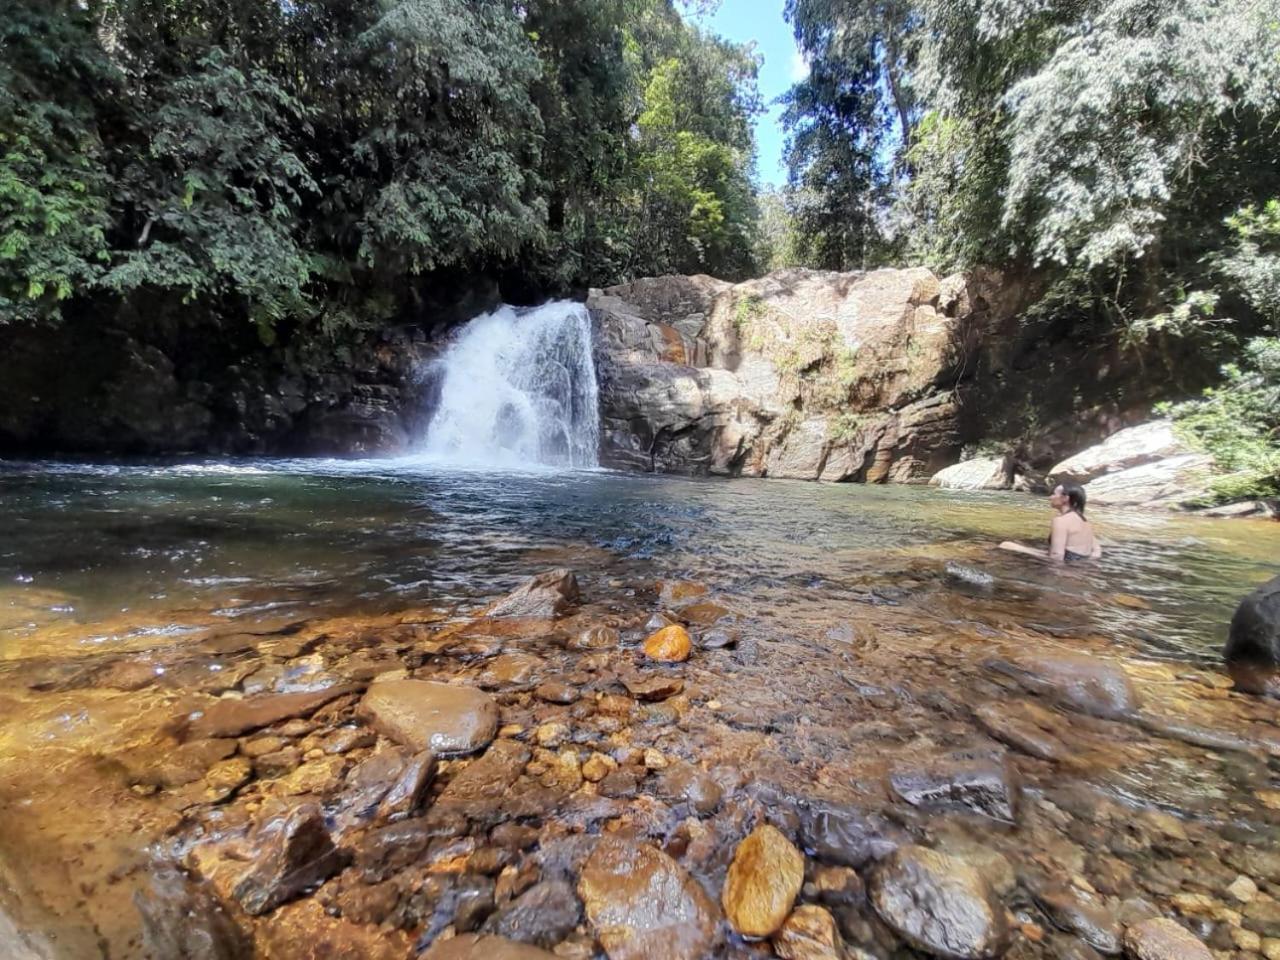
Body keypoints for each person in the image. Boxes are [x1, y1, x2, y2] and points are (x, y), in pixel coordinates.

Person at [1000, 483, 1102, 562]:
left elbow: (1057, 556)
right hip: (1079, 562)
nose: (1050, 497)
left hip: (1066, 564)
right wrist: (1083, 565)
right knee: (1017, 544)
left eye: (1054, 494)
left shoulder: (1061, 521)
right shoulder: (1085, 521)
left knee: (1006, 545)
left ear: (1065, 498)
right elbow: (1097, 552)